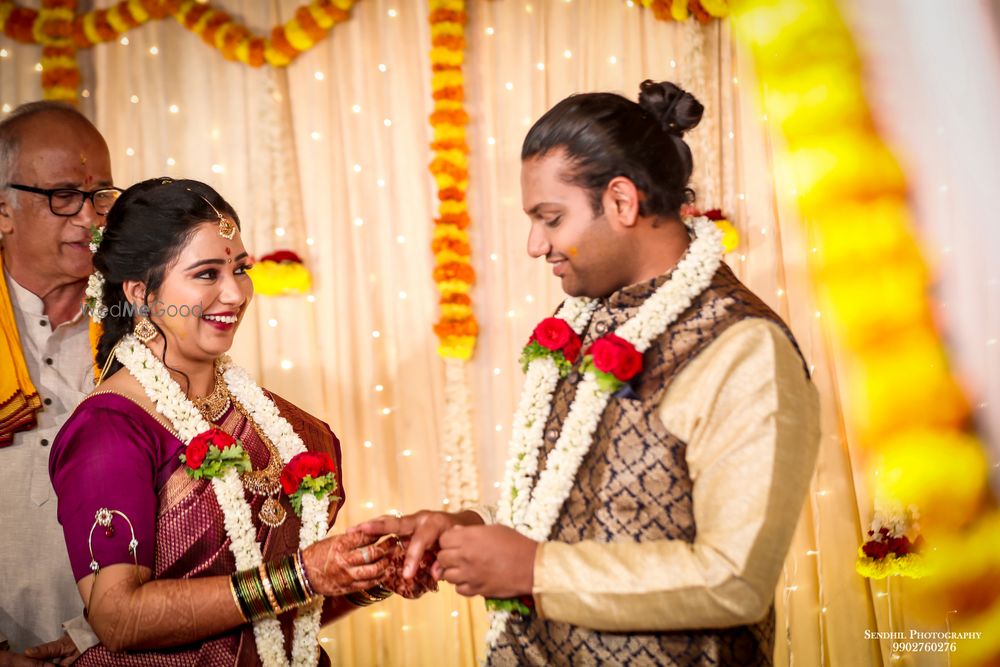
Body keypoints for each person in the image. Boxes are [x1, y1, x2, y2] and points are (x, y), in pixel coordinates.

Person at [355, 81, 821, 665]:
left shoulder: (744, 347)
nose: (534, 244)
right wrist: (469, 527)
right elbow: (577, 506)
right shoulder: (584, 319)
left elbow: (733, 579)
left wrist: (532, 570)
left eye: (550, 218)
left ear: (622, 202)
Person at [48, 179, 427, 665]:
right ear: (141, 293)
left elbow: (277, 613)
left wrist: (364, 578)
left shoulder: (290, 429)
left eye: (241, 269)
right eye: (207, 274)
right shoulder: (112, 429)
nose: (235, 293)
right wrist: (304, 575)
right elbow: (118, 618)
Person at [0, 101, 117, 665]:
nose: (90, 218)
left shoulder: (145, 327)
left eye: (101, 197)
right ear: (3, 210)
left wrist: (112, 630)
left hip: (125, 649)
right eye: (63, 196)